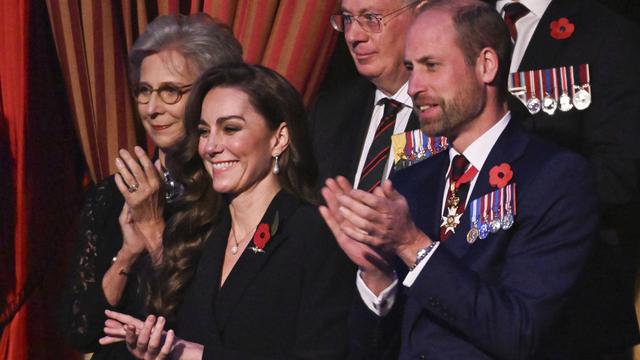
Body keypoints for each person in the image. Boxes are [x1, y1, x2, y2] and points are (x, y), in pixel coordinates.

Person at [319, 0, 599, 358]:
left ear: (486, 65)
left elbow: (521, 332)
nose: (415, 85)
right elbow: (374, 349)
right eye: (410, 67)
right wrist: (376, 276)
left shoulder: (553, 177)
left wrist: (412, 245)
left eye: (431, 66)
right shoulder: (410, 182)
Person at [100, 63, 355, 359]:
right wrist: (150, 348)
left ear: (279, 138)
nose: (210, 146)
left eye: (231, 128)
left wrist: (195, 355)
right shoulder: (197, 230)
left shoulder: (314, 233)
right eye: (204, 131)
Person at [59, 13, 242, 360]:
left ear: (211, 94)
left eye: (170, 91)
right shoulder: (111, 195)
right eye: (144, 91)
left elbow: (207, 330)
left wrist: (154, 230)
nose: (152, 108)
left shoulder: (230, 196)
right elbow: (79, 330)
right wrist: (127, 254)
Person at [491, 0, 640, 356]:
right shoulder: (459, 21)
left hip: (570, 316)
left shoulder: (606, 34)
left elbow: (621, 175)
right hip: (465, 313)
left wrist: (512, 200)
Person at [309, 0, 424, 192]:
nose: (353, 36)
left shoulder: (455, 111)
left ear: (421, 16)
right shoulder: (330, 110)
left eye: (371, 18)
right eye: (347, 19)